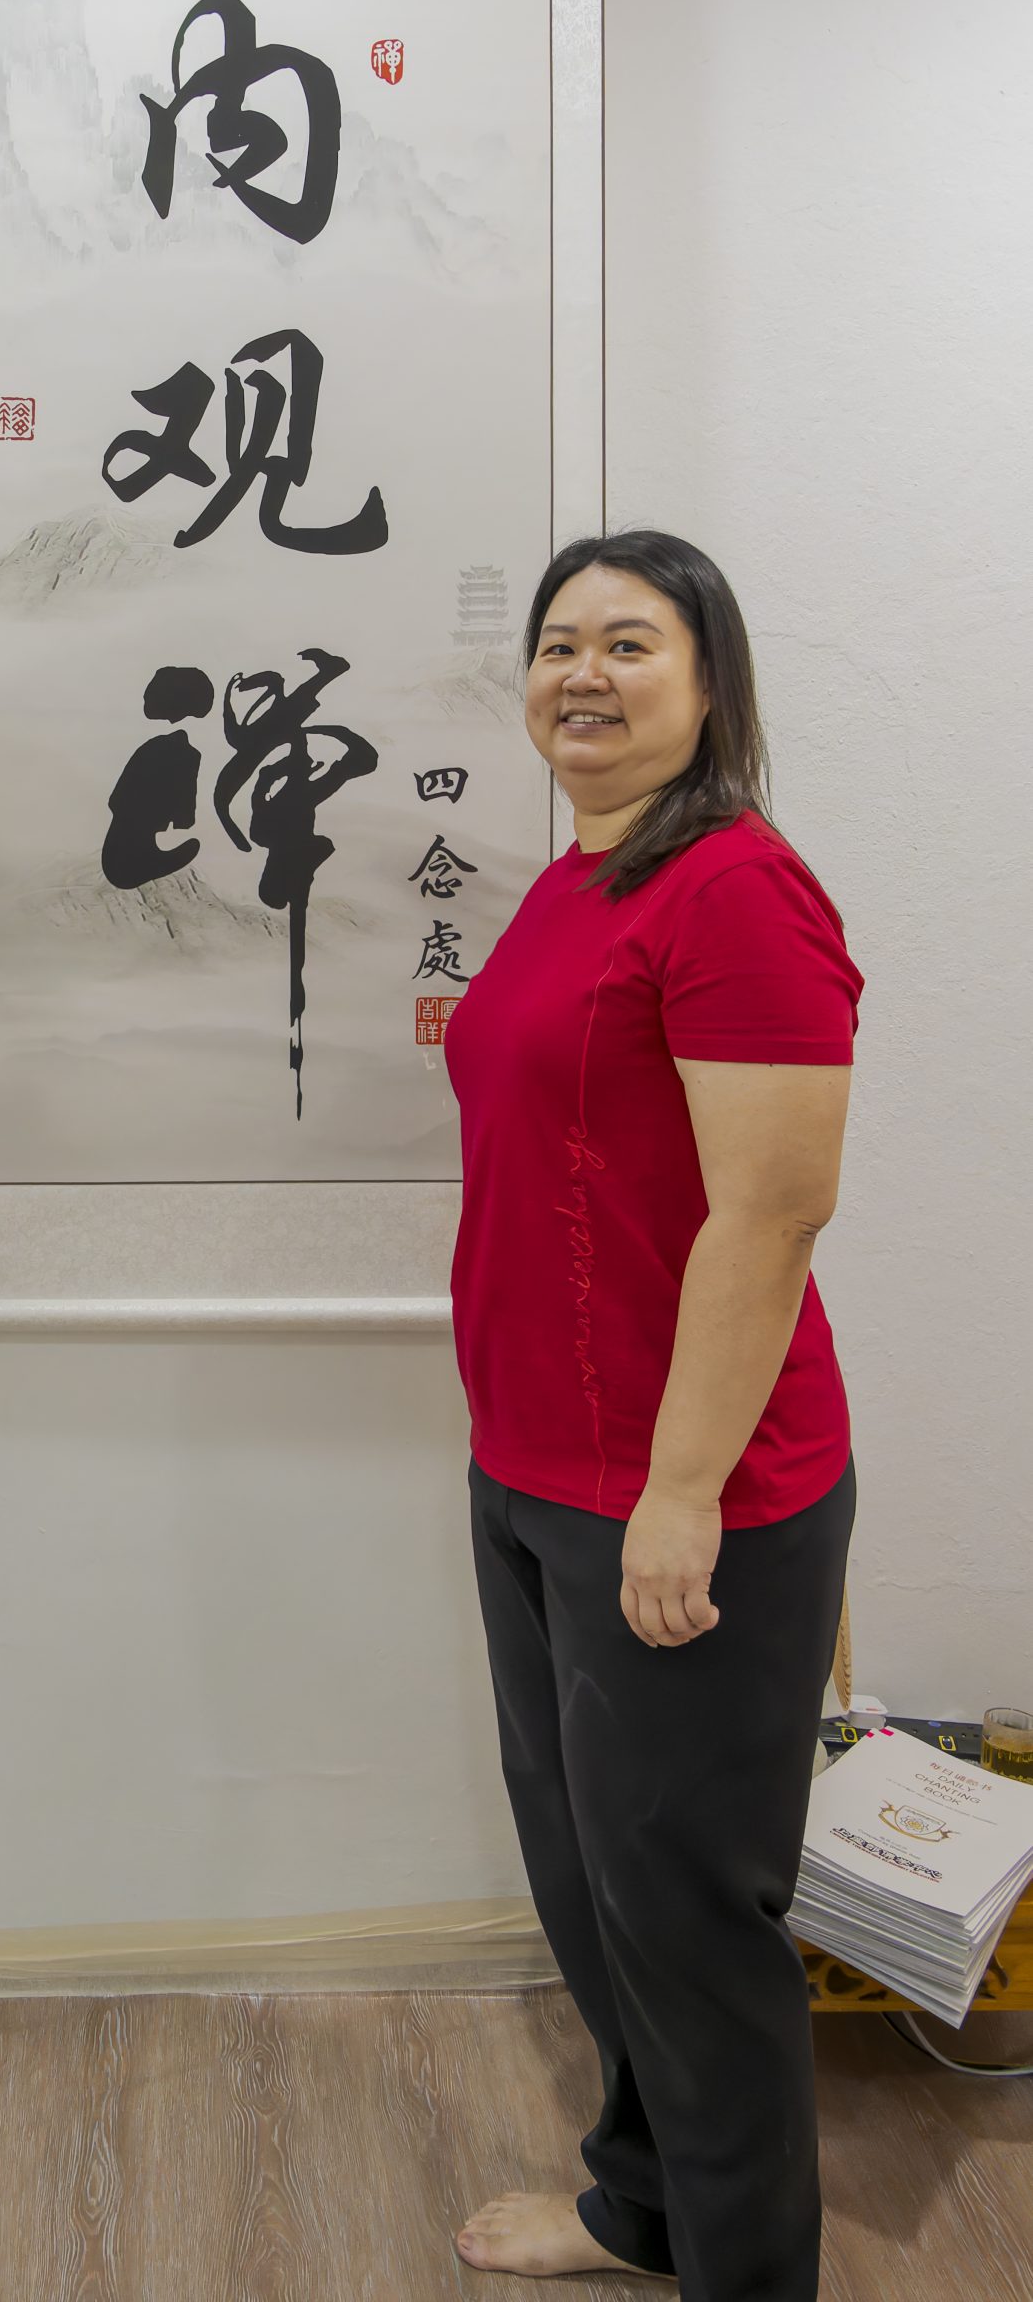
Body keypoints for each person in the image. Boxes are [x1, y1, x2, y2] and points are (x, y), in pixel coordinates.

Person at [445, 531, 860, 2298]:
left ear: (709, 682)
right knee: (593, 1883)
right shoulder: (584, 876)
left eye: (630, 643)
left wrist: (680, 1495)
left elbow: (772, 1217)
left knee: (688, 1917)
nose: (584, 675)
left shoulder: (739, 892)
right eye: (559, 643)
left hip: (683, 1493)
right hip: (536, 1468)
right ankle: (646, 2207)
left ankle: (746, 2271)